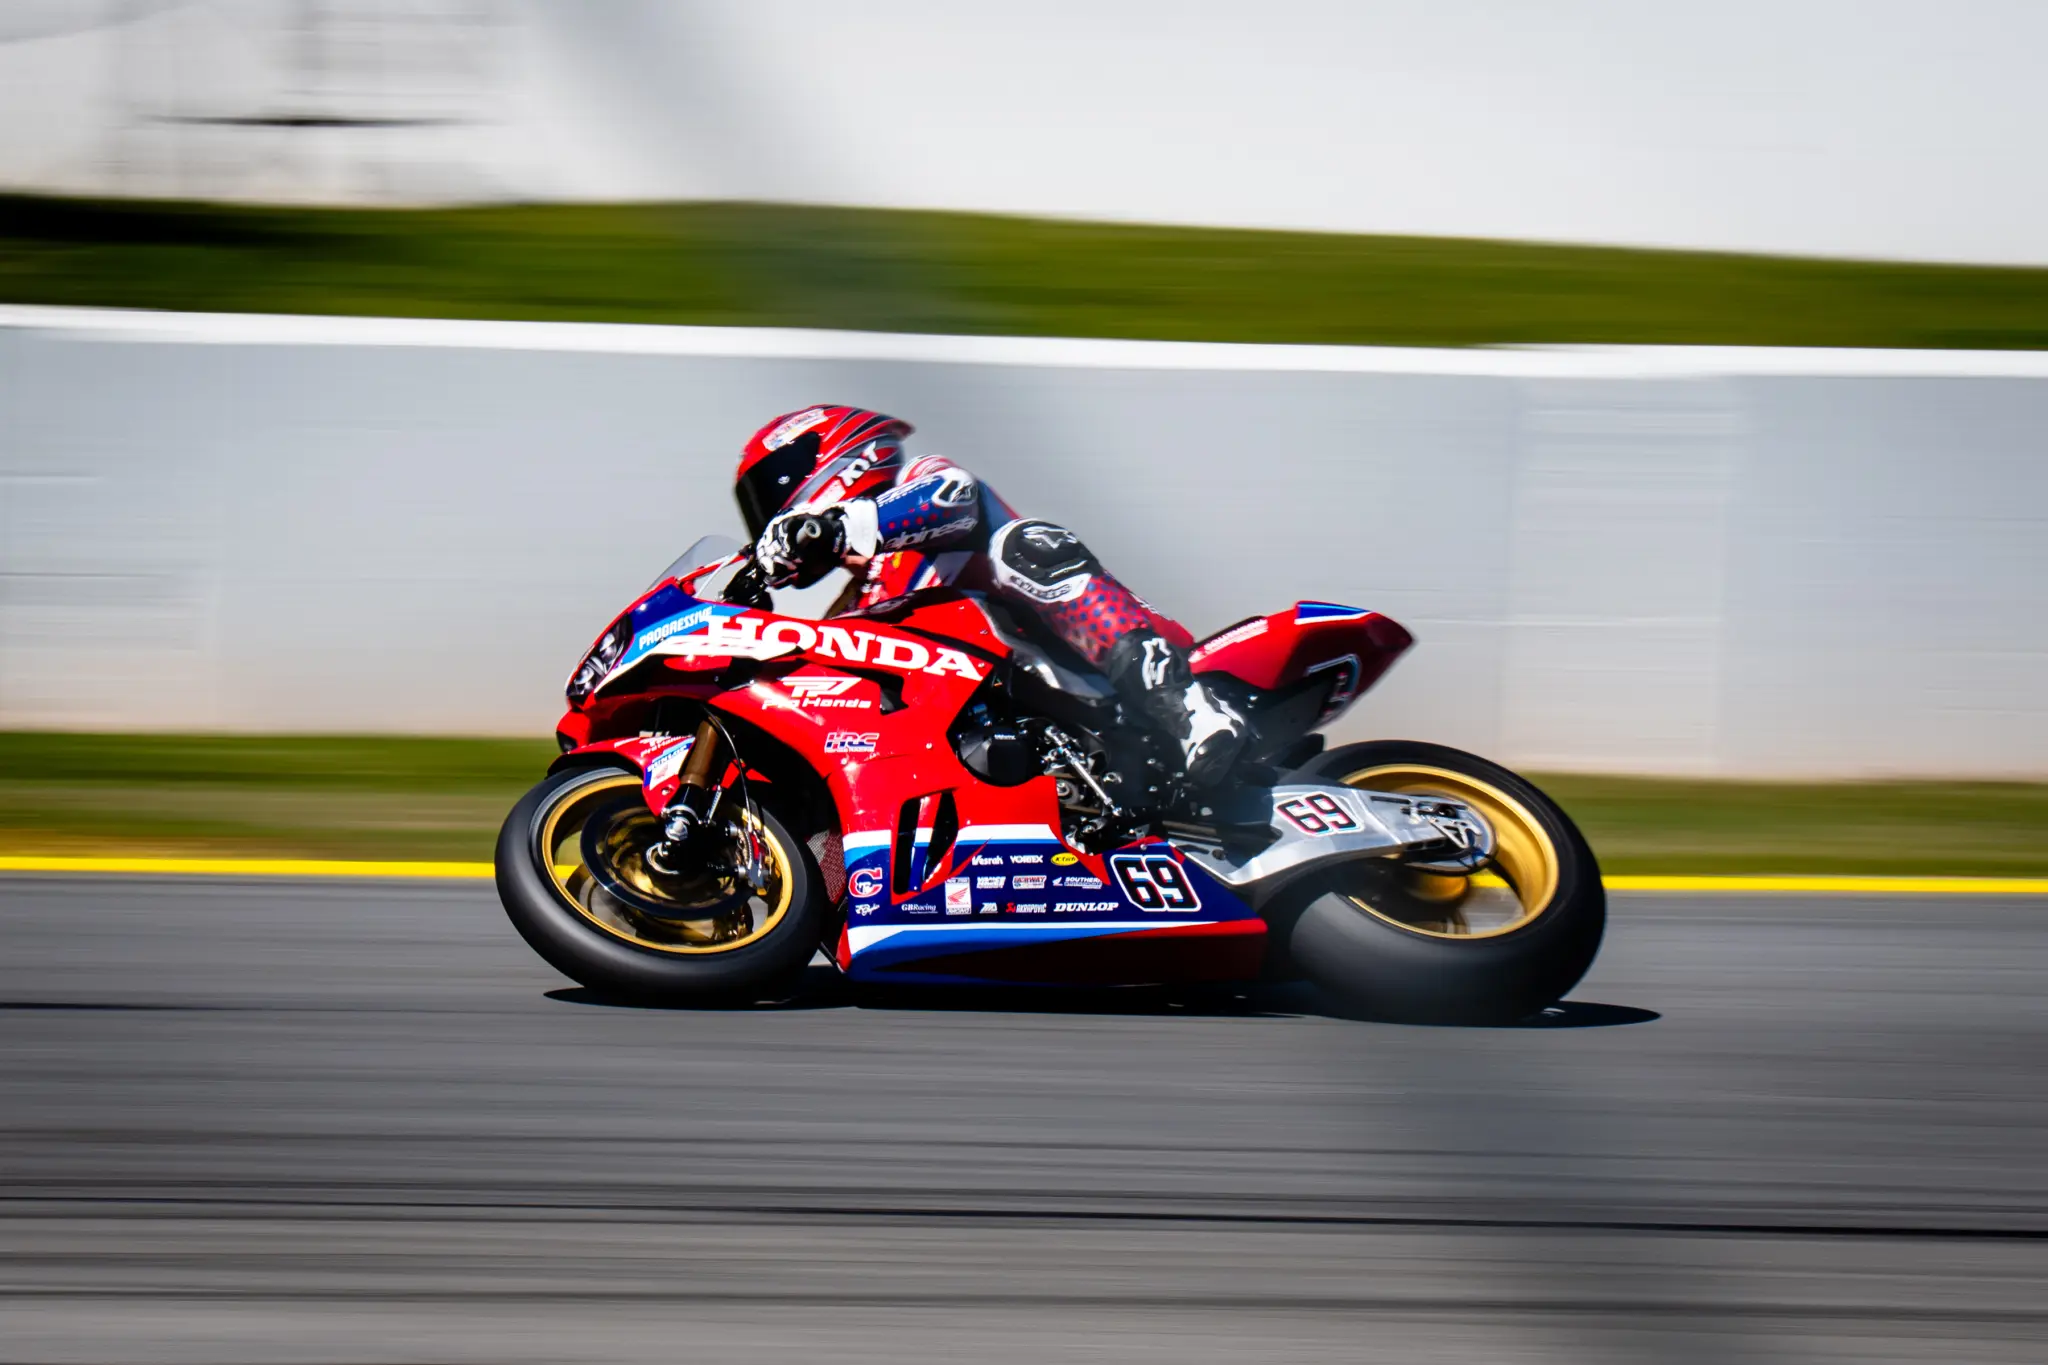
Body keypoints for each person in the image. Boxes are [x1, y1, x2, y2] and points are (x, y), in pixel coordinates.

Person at [733, 404, 1246, 786]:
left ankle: (1186, 707)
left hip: (1098, 684)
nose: (767, 518)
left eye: (769, 491)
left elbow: (952, 496)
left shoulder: (919, 484)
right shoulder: (850, 606)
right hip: (990, 741)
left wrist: (835, 526)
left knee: (1026, 545)